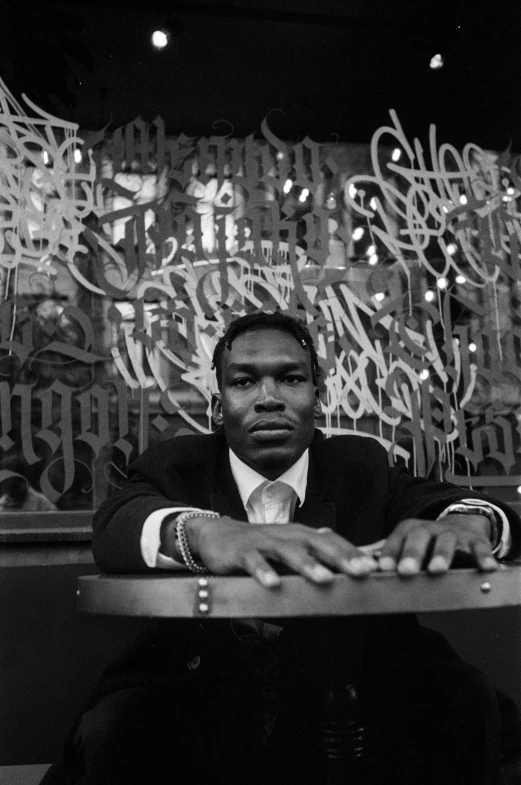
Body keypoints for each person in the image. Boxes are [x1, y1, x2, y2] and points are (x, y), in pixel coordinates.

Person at [43, 310, 521, 785]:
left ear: (319, 396)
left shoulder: (361, 465)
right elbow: (119, 520)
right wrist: (207, 533)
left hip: (351, 703)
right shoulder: (175, 466)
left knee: (464, 699)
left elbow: (436, 500)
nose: (268, 399)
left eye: (290, 378)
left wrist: (470, 520)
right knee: (117, 727)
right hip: (200, 714)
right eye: (244, 382)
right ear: (217, 405)